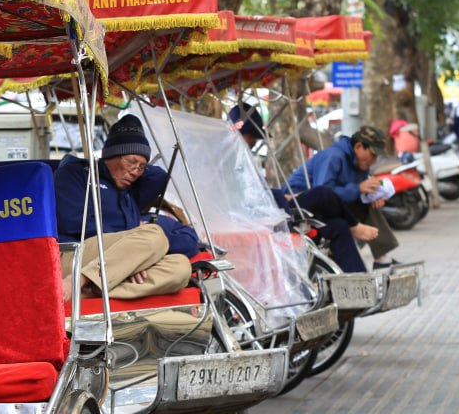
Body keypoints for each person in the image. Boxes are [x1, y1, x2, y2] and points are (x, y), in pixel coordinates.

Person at [54, 115, 199, 299]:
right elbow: (70, 222)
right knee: (154, 236)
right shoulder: (76, 174)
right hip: (75, 253)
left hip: (113, 260)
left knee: (180, 267)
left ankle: (89, 290)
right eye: (130, 162)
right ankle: (78, 280)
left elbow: (159, 176)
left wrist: (133, 259)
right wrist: (130, 247)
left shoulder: (130, 193)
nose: (135, 172)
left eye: (141, 167)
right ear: (111, 155)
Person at [230, 104, 378, 274]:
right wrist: (280, 197)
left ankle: (358, 283)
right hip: (266, 213)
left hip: (277, 205)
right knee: (323, 193)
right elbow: (244, 196)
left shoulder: (244, 156)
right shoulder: (334, 156)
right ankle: (355, 226)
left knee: (339, 225)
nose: (254, 142)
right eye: (251, 136)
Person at [284, 125, 397, 268]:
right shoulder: (334, 156)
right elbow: (323, 193)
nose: (374, 161)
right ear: (358, 146)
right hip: (301, 204)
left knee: (346, 222)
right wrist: (358, 188)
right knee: (339, 218)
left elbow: (354, 190)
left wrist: (374, 194)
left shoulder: (361, 164)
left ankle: (377, 262)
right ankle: (358, 231)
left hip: (331, 207)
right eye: (373, 155)